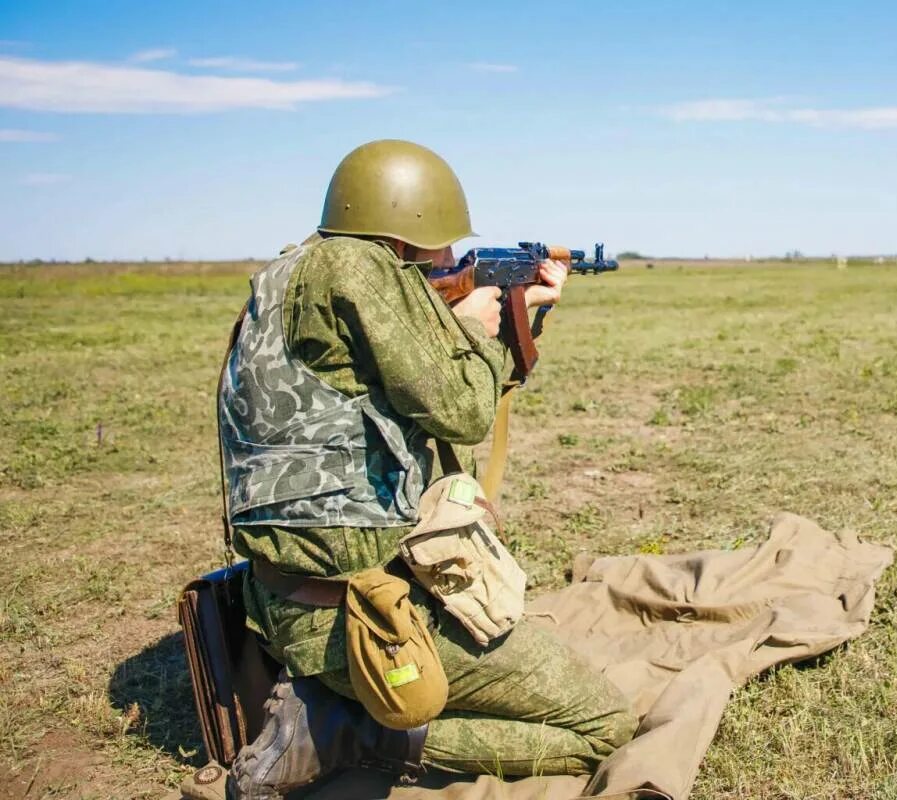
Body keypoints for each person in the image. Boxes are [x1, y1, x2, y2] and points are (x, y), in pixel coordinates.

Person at [203, 140, 636, 800]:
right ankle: (347, 730)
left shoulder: (291, 270)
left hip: (289, 593)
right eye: (438, 244)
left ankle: (335, 703)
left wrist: (512, 318)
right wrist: (473, 333)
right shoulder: (361, 273)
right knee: (606, 724)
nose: (443, 260)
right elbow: (462, 412)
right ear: (409, 228)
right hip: (359, 615)